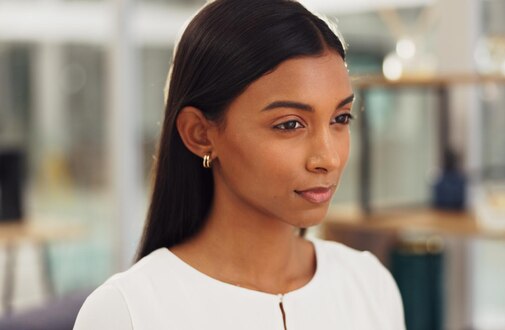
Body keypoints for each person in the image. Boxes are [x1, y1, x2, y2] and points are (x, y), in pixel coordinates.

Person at [74, 0, 405, 329]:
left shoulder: (370, 287)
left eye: (340, 118)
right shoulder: (126, 312)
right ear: (200, 133)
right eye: (290, 124)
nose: (329, 158)